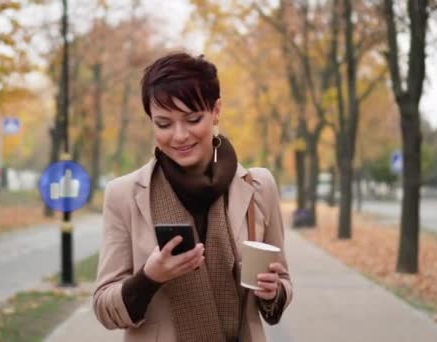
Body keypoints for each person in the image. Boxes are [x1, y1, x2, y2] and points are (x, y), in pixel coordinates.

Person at [93, 52, 292, 342]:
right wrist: (150, 278)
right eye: (163, 124)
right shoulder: (124, 195)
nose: (179, 135)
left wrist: (274, 291)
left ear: (216, 110)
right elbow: (103, 306)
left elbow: (282, 282)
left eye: (193, 119)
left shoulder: (259, 187)